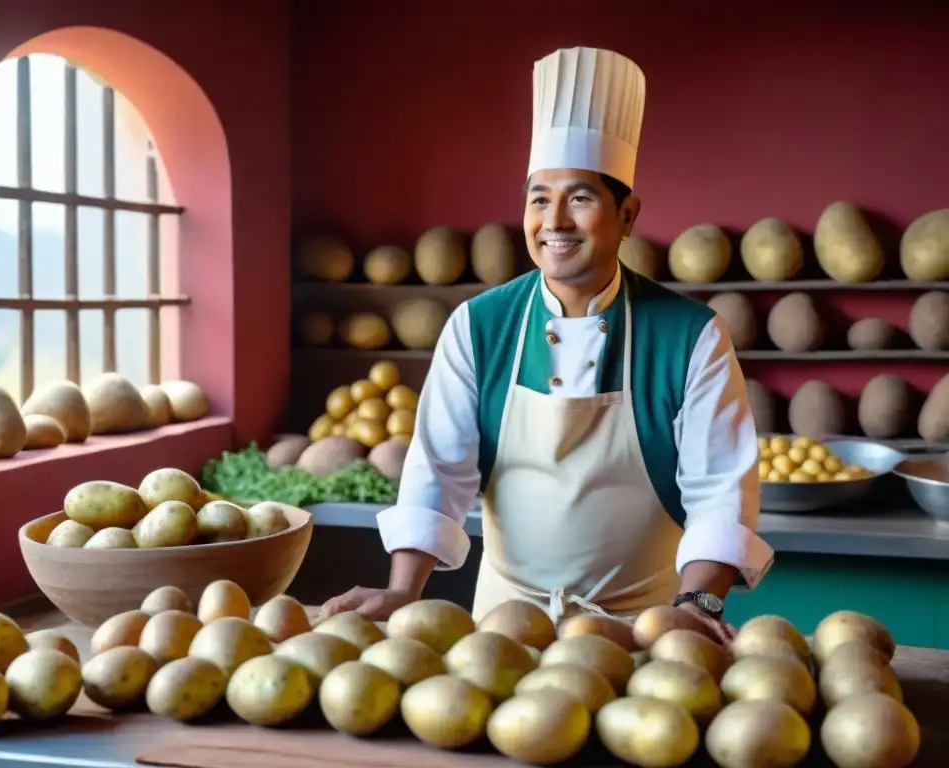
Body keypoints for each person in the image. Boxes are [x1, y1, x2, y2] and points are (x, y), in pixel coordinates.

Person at [321, 46, 774, 643]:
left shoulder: (691, 336)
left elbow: (720, 491)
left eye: (581, 198)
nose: (554, 220)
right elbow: (439, 468)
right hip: (501, 629)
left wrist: (697, 606)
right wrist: (403, 589)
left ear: (628, 214)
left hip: (644, 634)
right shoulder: (478, 326)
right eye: (539, 198)